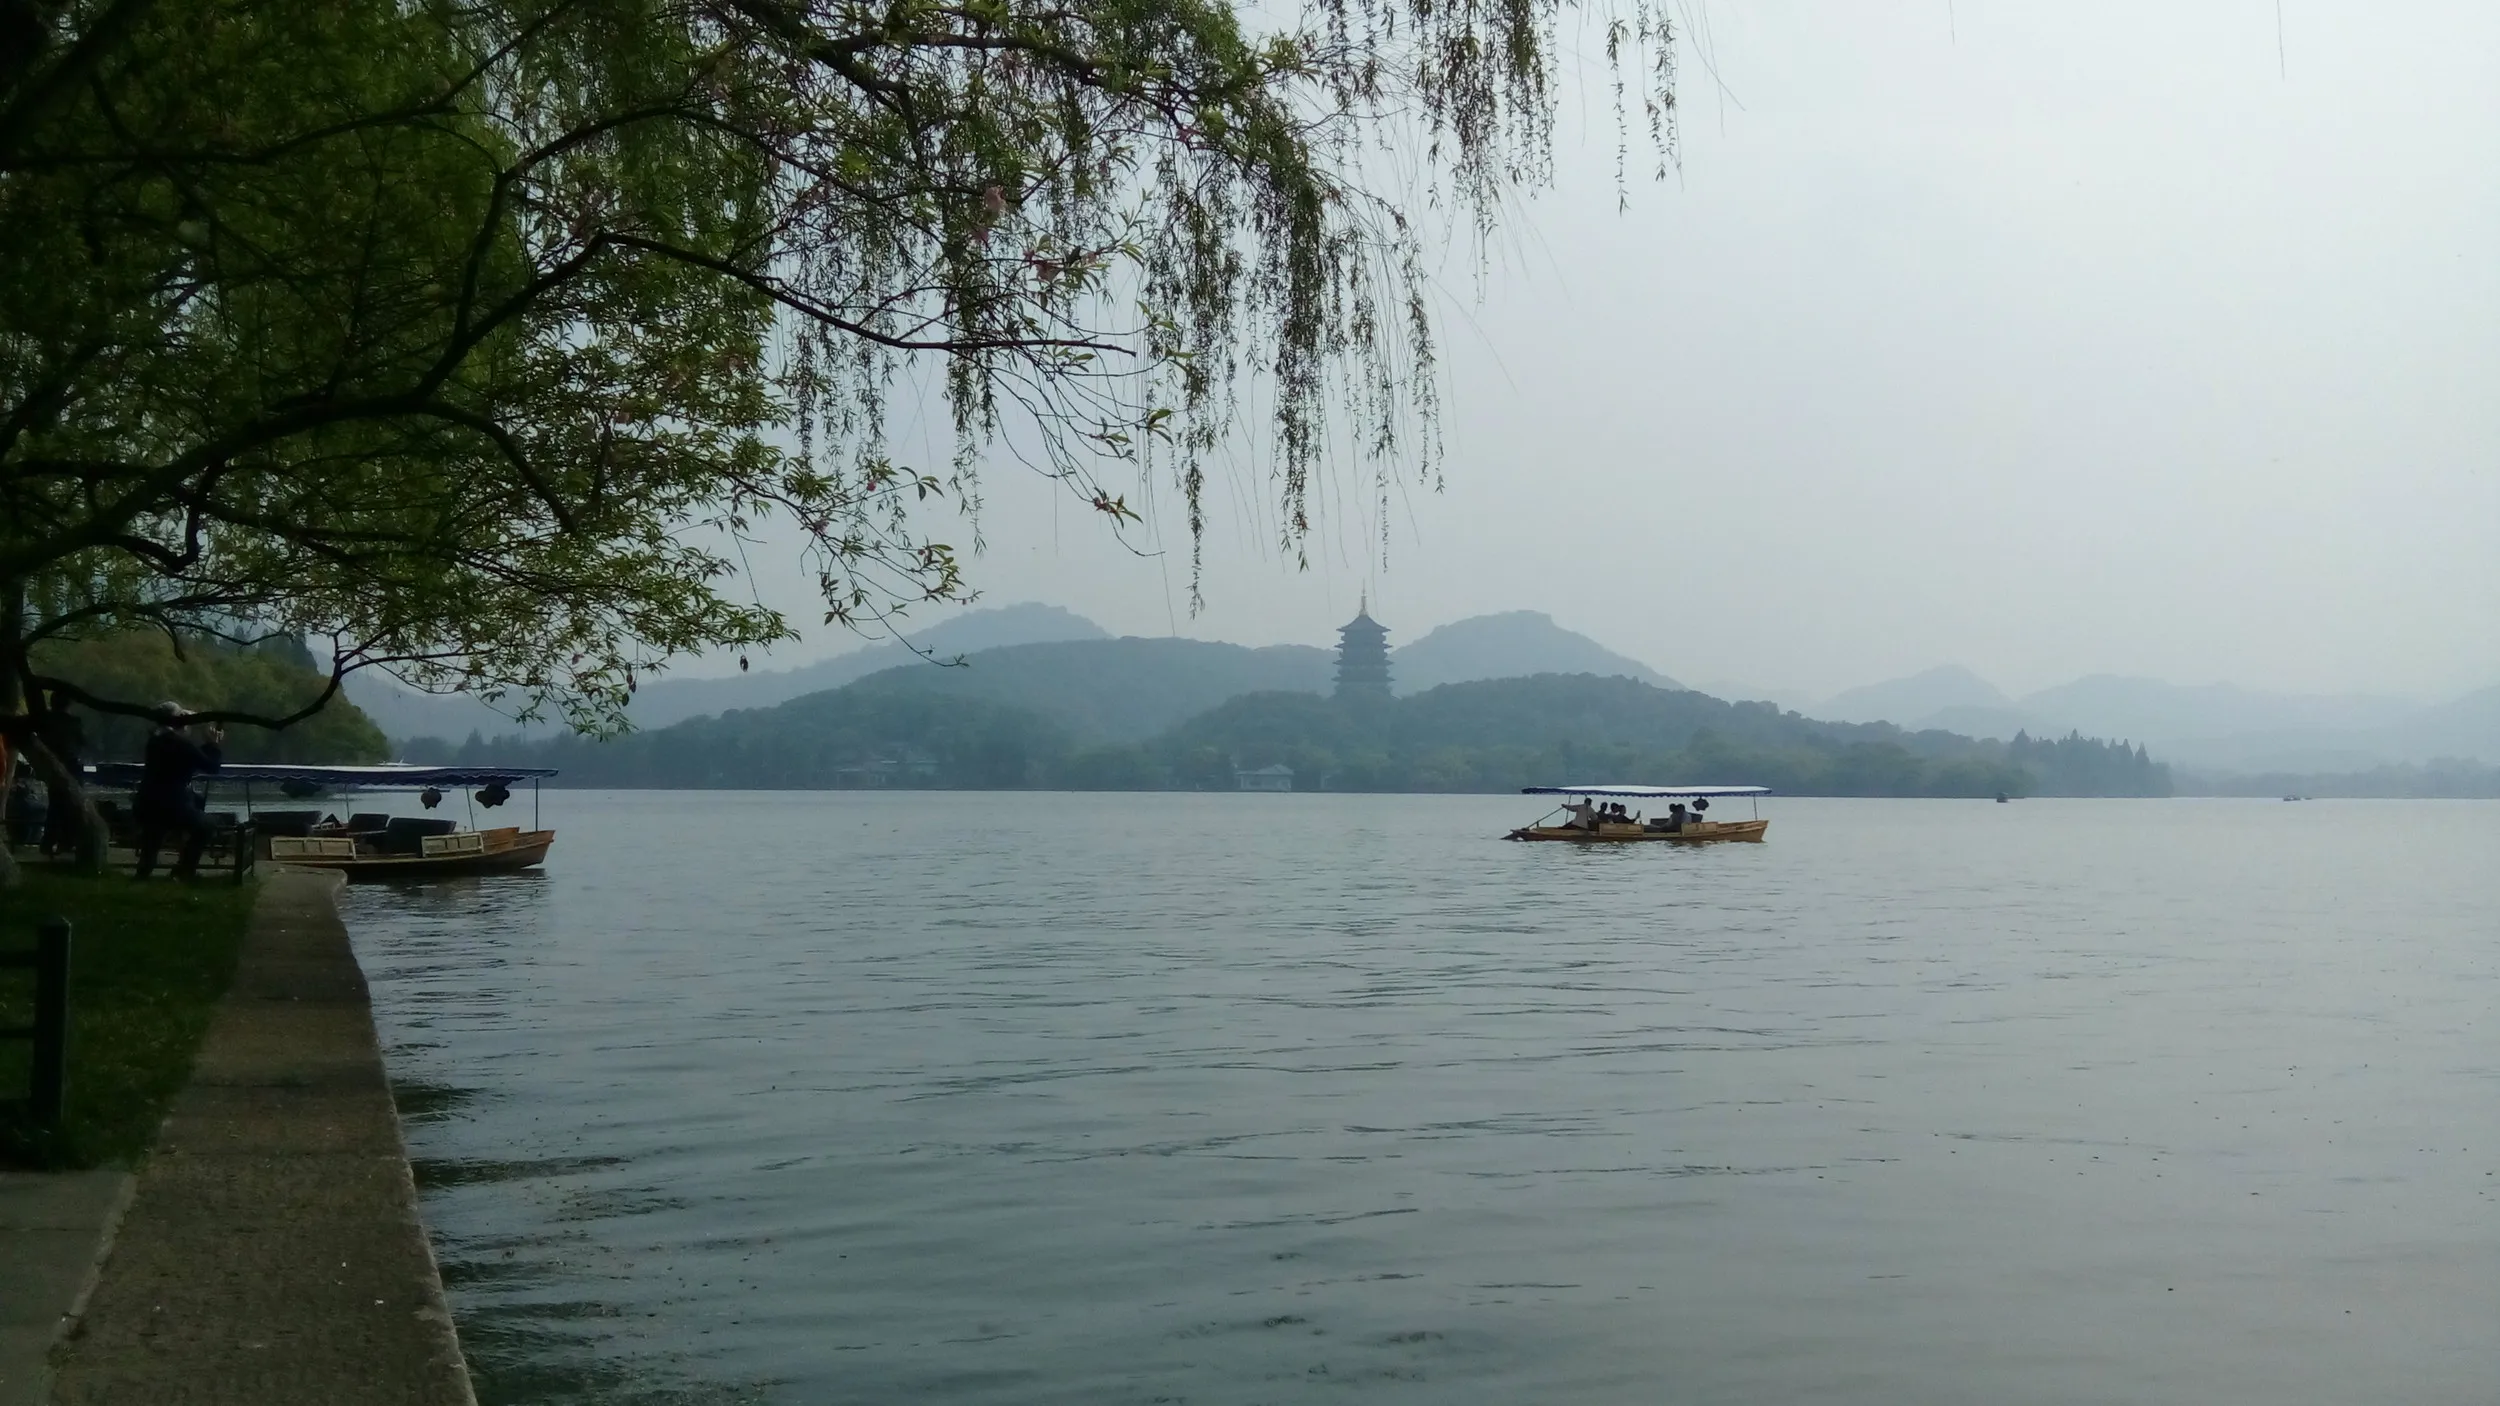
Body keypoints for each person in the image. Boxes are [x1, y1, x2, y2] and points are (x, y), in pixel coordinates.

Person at [133, 702, 223, 880]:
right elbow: (211, 766)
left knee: (152, 839)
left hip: (147, 803)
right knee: (206, 827)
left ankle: (142, 875)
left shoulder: (155, 740)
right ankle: (184, 871)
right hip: (172, 806)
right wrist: (213, 744)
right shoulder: (180, 744)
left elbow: (190, 756)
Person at [35, 688, 87, 857]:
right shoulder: (74, 722)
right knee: (71, 807)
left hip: (53, 767)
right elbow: (82, 742)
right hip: (72, 769)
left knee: (55, 806)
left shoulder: (47, 721)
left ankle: (49, 842)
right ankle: (66, 842)